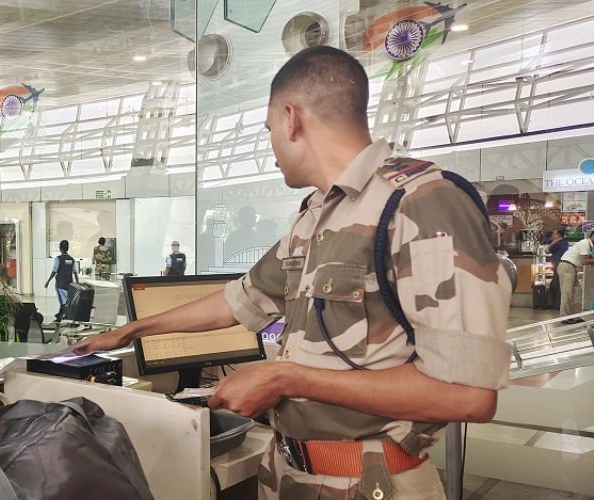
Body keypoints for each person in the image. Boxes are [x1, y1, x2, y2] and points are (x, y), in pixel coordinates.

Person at [74, 46, 511, 499]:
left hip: (371, 484)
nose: (271, 146)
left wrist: (285, 378)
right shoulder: (317, 215)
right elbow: (238, 300)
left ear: (291, 118)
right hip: (287, 475)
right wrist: (131, 331)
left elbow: (468, 396)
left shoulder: (423, 203)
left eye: (268, 130)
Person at [557, 230, 594, 322]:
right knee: (567, 293)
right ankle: (564, 317)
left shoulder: (590, 246)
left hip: (572, 268)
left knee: (578, 292)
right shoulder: (585, 243)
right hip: (567, 267)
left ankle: (575, 316)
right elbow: (584, 261)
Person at [44, 240, 78, 322]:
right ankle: (62, 314)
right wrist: (77, 282)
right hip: (70, 284)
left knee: (63, 301)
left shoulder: (58, 259)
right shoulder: (72, 259)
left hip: (60, 284)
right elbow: (75, 272)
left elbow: (54, 271)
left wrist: (48, 281)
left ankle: (60, 316)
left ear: (60, 248)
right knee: (67, 300)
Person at [547, 228, 569, 308]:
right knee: (555, 283)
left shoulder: (561, 243)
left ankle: (556, 304)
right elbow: (547, 242)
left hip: (560, 265)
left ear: (559, 235)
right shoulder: (560, 242)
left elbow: (549, 249)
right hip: (557, 265)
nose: (552, 235)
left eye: (554, 233)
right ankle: (556, 303)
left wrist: (553, 243)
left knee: (555, 284)